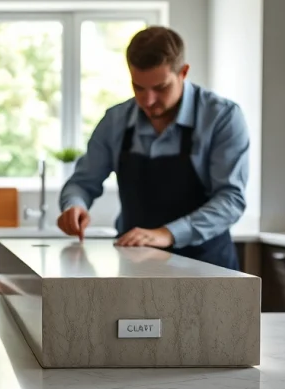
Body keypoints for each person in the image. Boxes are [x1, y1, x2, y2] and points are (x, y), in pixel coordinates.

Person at [57, 26, 249, 270]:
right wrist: (75, 205)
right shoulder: (115, 121)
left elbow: (231, 199)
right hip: (134, 265)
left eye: (160, 87)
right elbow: (82, 183)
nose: (148, 101)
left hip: (207, 266)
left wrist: (167, 233)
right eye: (138, 87)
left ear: (184, 72)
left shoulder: (222, 117)